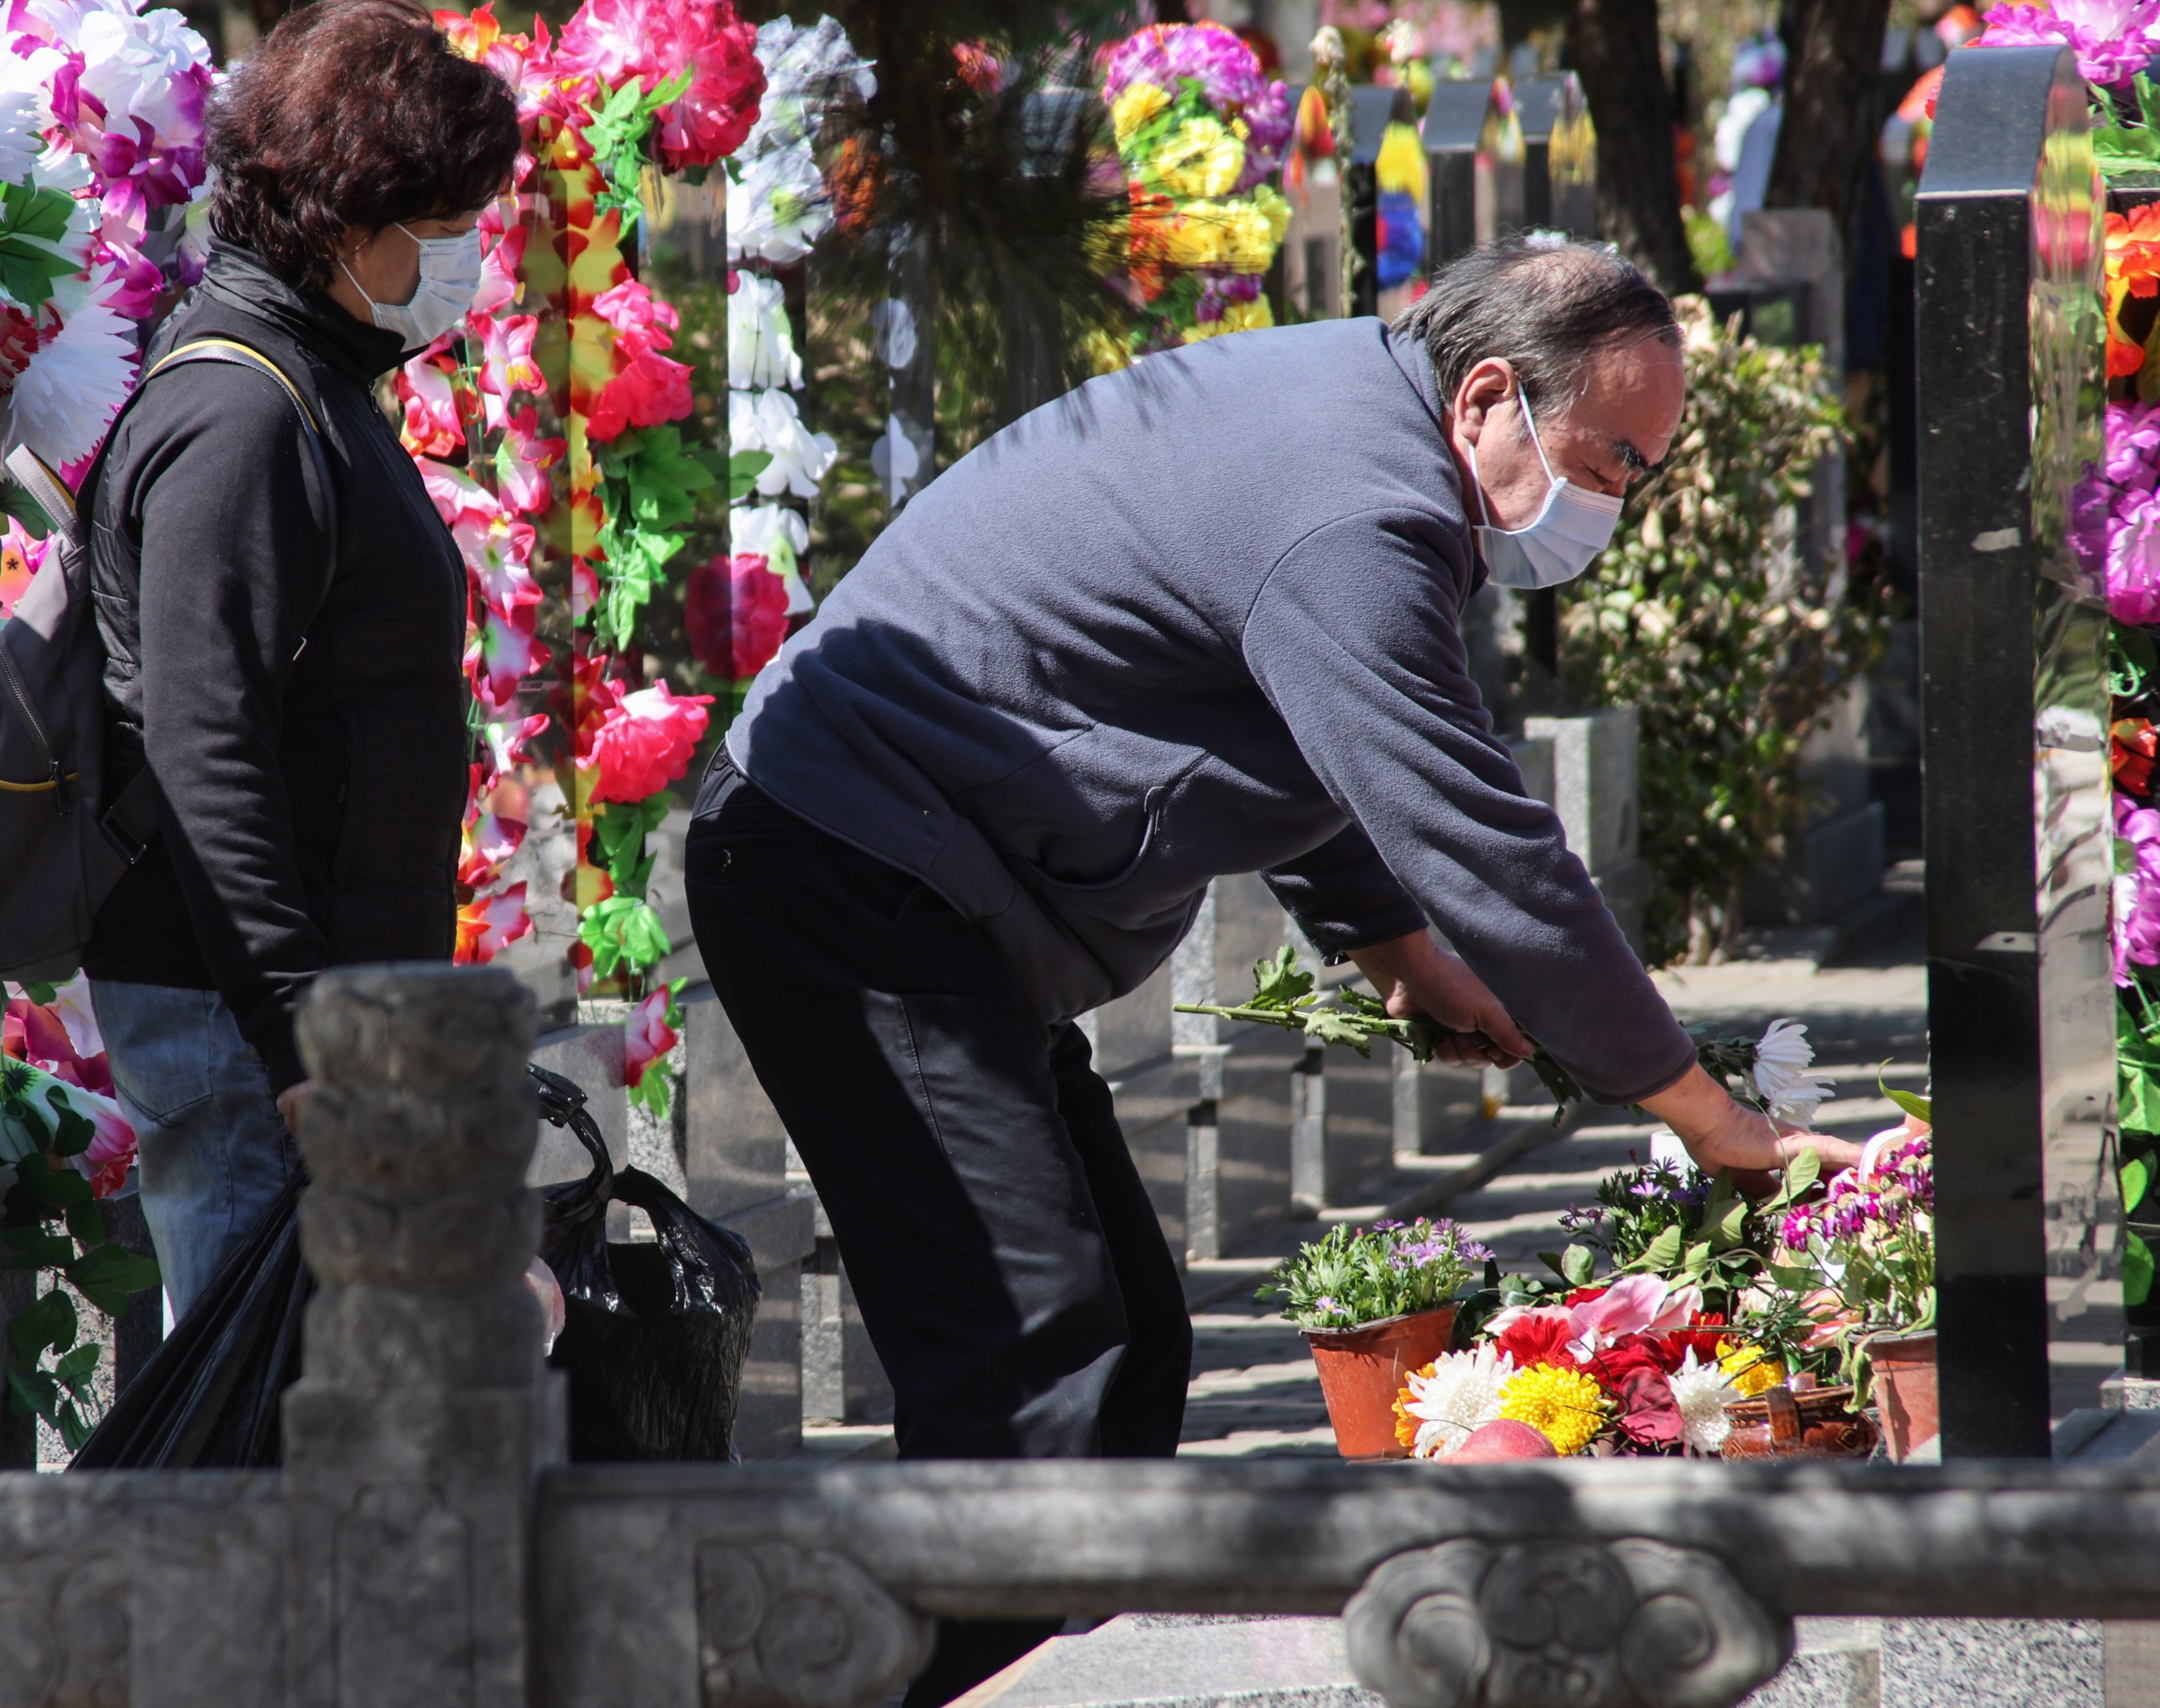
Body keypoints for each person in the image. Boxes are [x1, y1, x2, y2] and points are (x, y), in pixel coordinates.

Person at [683, 236, 1865, 1707]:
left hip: (922, 882)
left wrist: (1389, 945)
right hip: (845, 867)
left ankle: (1016, 1673)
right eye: (1607, 463)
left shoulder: (1374, 427)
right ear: (1488, 395)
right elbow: (1480, 842)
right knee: (1028, 1354)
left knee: (1122, 1344)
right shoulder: (1358, 512)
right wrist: (1703, 1115)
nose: (1611, 506)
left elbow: (1287, 716)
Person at [82, 0, 518, 1317]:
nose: (466, 263)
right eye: (443, 233)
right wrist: (296, 1035)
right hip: (251, 1020)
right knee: (249, 1436)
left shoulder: (312, 373)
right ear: (343, 221)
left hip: (318, 1007)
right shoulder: (240, 414)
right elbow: (202, 741)